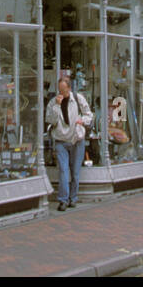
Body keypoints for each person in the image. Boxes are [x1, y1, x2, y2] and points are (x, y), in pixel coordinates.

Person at [47, 76, 92, 211]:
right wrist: (57, 106)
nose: (62, 93)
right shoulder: (53, 103)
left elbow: (89, 115)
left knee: (75, 172)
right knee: (63, 171)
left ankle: (73, 198)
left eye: (64, 90)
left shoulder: (78, 99)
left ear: (69, 88)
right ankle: (63, 200)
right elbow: (50, 120)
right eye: (60, 90)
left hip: (76, 140)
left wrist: (82, 120)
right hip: (61, 140)